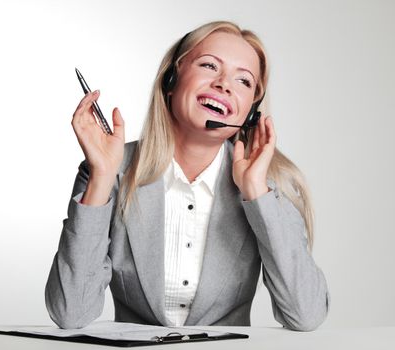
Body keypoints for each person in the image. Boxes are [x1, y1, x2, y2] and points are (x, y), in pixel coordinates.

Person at [45, 20, 329, 331]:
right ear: (171, 79)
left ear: (250, 111)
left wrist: (257, 193)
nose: (224, 84)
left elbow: (306, 316)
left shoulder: (269, 186)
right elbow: (69, 313)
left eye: (244, 81)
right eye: (209, 65)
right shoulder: (112, 169)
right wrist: (101, 177)